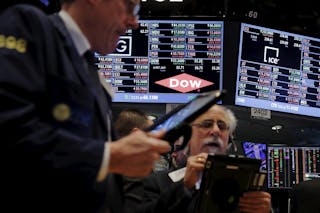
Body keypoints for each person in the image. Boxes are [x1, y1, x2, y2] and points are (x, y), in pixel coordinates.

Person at [0, 1, 170, 213]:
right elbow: (9, 129)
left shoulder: (88, 66)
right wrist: (109, 156)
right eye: (129, 7)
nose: (134, 22)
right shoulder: (28, 25)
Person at [126, 105, 272, 213]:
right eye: (206, 124)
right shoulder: (156, 183)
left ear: (229, 138)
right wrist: (184, 188)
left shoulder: (247, 184)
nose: (215, 131)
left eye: (222, 126)